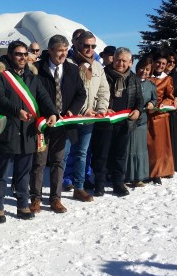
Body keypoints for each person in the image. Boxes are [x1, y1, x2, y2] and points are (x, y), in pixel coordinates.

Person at [0, 40, 58, 222]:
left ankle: (22, 204)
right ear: (11, 55)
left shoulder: (32, 76)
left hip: (28, 131)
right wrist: (15, 111)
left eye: (25, 54)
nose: (22, 57)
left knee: (23, 172)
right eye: (19, 54)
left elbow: (43, 96)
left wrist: (53, 112)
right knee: (1, 173)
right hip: (8, 130)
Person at [29, 35, 85, 214]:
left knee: (58, 162)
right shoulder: (37, 69)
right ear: (50, 50)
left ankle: (56, 198)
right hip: (42, 125)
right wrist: (46, 115)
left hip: (62, 125)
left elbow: (81, 94)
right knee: (39, 162)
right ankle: (35, 198)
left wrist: (71, 111)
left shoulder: (72, 69)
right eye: (60, 50)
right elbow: (33, 96)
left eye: (66, 49)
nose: (64, 53)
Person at [64, 31, 110, 201]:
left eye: (93, 46)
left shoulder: (97, 66)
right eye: (86, 45)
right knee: (64, 154)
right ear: (76, 44)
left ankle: (79, 186)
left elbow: (104, 90)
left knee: (82, 153)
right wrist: (82, 111)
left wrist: (101, 108)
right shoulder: (68, 64)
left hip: (90, 117)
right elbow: (68, 93)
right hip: (71, 116)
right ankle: (57, 189)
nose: (90, 49)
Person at [91, 47, 143, 196]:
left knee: (120, 154)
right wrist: (104, 108)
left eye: (124, 61)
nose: (120, 63)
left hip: (125, 123)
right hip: (105, 121)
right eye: (118, 59)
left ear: (130, 62)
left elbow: (139, 98)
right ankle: (99, 184)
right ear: (113, 59)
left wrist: (138, 110)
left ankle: (118, 183)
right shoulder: (103, 74)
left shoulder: (133, 78)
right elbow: (95, 95)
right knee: (102, 154)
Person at [126, 57, 157, 186]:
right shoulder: (130, 81)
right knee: (128, 147)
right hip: (128, 119)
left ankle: (138, 176)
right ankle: (126, 175)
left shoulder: (150, 85)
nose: (144, 71)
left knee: (139, 149)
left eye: (147, 69)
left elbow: (155, 99)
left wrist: (151, 103)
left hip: (142, 120)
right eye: (142, 68)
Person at [147, 54, 176, 184]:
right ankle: (145, 170)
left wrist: (161, 105)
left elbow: (170, 96)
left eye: (163, 64)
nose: (161, 66)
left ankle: (158, 171)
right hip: (145, 113)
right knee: (146, 145)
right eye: (158, 62)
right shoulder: (146, 76)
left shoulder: (167, 79)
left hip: (159, 115)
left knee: (158, 146)